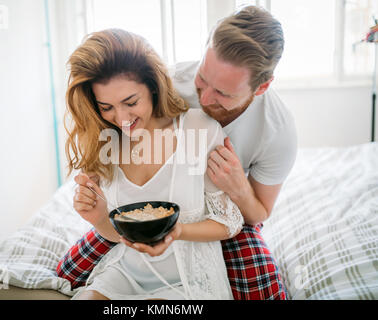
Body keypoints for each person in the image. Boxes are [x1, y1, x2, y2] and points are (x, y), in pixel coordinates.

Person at [57, 5, 296, 299]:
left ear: (261, 88)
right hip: (135, 251)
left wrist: (238, 188)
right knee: (65, 275)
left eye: (223, 93)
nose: (204, 98)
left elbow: (253, 214)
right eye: (203, 79)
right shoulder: (163, 82)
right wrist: (98, 208)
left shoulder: (276, 131)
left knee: (262, 285)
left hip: (222, 212)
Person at [64, 28, 244, 300]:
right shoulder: (106, 141)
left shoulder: (198, 128)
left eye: (130, 102)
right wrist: (99, 217)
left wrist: (179, 231)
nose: (121, 117)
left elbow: (230, 221)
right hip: (126, 273)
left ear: (152, 85)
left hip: (189, 280)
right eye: (106, 107)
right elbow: (118, 237)